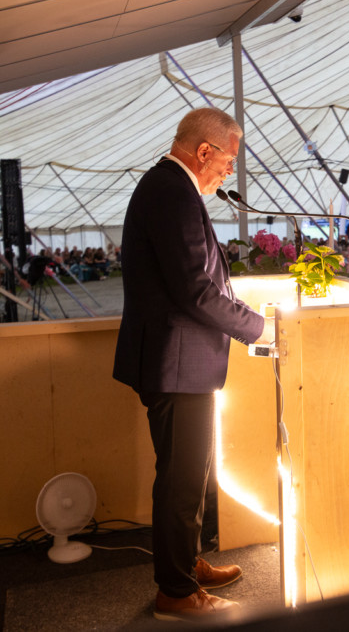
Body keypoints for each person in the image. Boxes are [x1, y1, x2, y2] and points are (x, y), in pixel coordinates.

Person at [113, 107, 273, 622]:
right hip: (176, 364)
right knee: (182, 479)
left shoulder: (169, 188)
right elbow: (194, 289)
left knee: (189, 473)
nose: (229, 172)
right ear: (204, 151)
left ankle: (185, 563)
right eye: (228, 161)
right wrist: (262, 329)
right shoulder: (171, 191)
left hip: (177, 361)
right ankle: (177, 593)